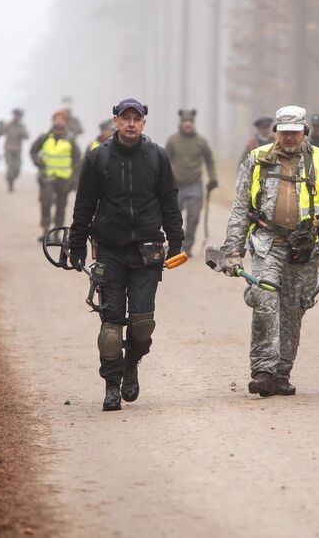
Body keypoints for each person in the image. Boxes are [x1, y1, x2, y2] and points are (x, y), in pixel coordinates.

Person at [221, 105, 319, 397]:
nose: (289, 138)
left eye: (294, 132)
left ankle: (281, 373)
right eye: (284, 132)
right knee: (265, 301)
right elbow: (241, 207)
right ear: (275, 132)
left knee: (294, 310)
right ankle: (263, 370)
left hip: (304, 248)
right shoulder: (257, 160)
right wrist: (233, 250)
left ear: (305, 131)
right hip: (268, 243)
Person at [67, 98, 183, 411]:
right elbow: (84, 205)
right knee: (110, 328)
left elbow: (170, 201)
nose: (131, 124)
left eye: (137, 119)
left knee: (143, 325)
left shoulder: (157, 157)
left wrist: (177, 240)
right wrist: (77, 245)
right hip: (110, 252)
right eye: (125, 118)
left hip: (147, 252)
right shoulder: (97, 158)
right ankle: (111, 385)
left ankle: (131, 363)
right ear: (115, 121)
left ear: (144, 123)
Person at [165, 109, 218, 254]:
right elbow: (164, 161)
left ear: (193, 124)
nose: (188, 124)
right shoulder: (172, 140)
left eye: (190, 122)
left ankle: (187, 247)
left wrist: (213, 178)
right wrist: (162, 180)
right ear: (181, 123)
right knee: (174, 217)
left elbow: (209, 160)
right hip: (176, 185)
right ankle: (176, 245)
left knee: (194, 216)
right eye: (185, 121)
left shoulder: (201, 141)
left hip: (195, 184)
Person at [29, 110, 81, 242]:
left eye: (61, 119)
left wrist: (73, 174)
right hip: (47, 177)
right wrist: (37, 161)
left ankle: (57, 233)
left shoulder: (70, 138)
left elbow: (77, 157)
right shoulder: (45, 137)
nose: (58, 121)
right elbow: (33, 150)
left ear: (65, 121)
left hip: (64, 179)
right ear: (52, 121)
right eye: (56, 119)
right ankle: (45, 231)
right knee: (45, 203)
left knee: (61, 206)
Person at [0, 108, 30, 192]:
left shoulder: (22, 126)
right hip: (8, 149)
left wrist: (22, 133)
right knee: (10, 167)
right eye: (15, 115)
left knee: (17, 169)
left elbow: (27, 136)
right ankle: (10, 184)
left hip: (18, 150)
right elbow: (0, 133)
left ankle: (11, 180)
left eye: (18, 115)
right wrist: (0, 126)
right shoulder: (8, 125)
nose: (17, 117)